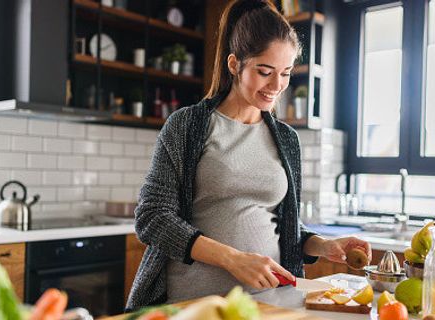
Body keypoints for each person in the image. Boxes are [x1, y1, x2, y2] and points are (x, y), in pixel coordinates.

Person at [125, 0, 371, 310]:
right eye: (265, 71)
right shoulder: (188, 125)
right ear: (234, 65)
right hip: (194, 305)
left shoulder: (286, 139)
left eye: (285, 73)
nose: (276, 86)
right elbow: (152, 218)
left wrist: (322, 245)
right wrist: (233, 259)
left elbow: (284, 226)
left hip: (270, 304)